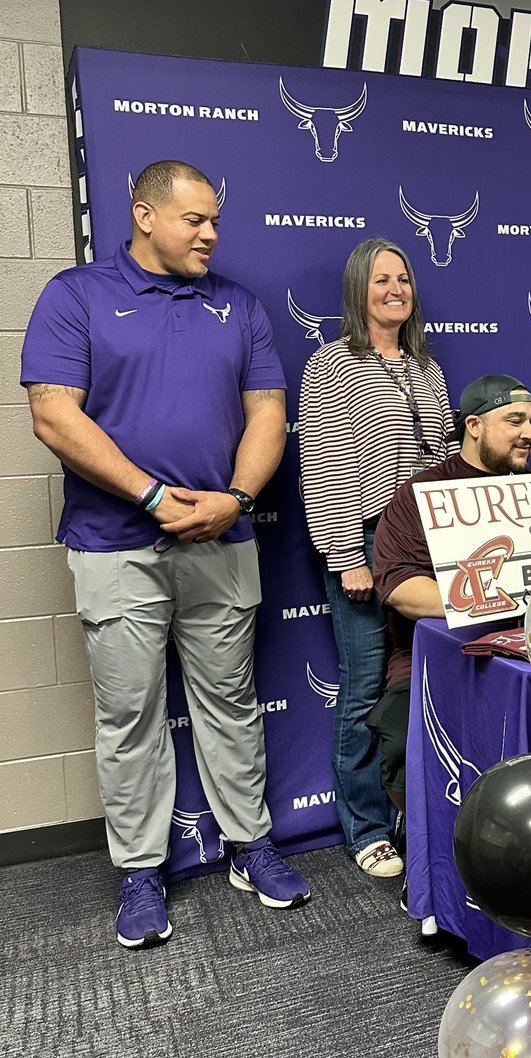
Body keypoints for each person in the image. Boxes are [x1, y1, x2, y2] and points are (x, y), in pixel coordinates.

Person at [20, 159, 308, 949]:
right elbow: (53, 416)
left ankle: (253, 848)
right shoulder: (76, 296)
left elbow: (268, 414)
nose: (212, 234)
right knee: (130, 715)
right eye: (195, 221)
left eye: (215, 220)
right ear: (145, 216)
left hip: (224, 538)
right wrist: (150, 496)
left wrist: (237, 500)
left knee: (230, 704)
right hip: (116, 545)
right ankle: (142, 872)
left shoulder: (238, 307)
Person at [299, 238, 455, 879]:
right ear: (359, 289)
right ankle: (365, 826)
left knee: (419, 678)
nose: (396, 289)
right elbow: (321, 463)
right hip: (363, 545)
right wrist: (347, 559)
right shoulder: (331, 362)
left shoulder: (429, 368)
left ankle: (413, 806)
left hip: (426, 545)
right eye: (382, 279)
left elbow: (441, 459)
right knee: (364, 686)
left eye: (404, 279)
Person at [371, 374, 531, 835]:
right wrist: (486, 598)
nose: (529, 432)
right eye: (514, 420)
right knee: (406, 736)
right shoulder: (418, 495)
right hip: (438, 656)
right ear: (474, 427)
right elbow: (399, 587)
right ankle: (431, 849)